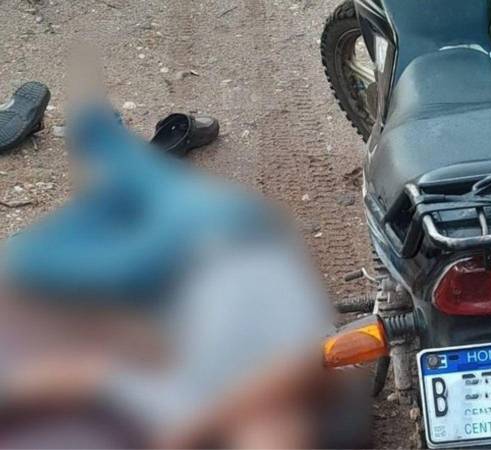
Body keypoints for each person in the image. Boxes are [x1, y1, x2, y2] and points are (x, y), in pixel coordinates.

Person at [0, 100, 369, 448]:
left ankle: (111, 161)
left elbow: (86, 378)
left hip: (155, 282)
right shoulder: (328, 411)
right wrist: (198, 425)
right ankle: (107, 141)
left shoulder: (169, 407)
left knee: (33, 258)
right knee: (132, 178)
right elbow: (303, 369)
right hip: (223, 238)